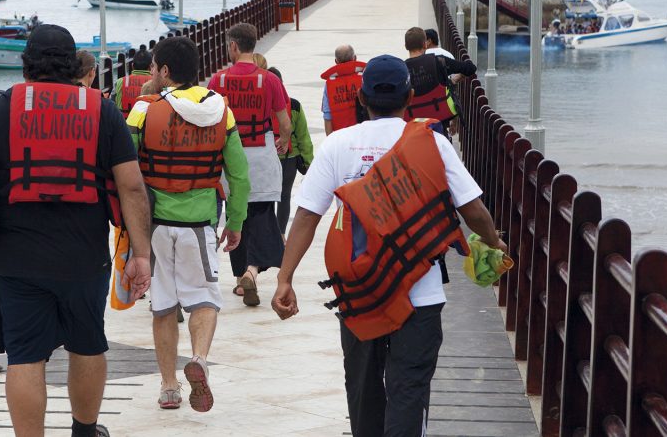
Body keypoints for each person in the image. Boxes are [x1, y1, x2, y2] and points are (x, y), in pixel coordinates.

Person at [271, 55, 507, 437]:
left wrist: (285, 278)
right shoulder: (432, 142)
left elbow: (306, 217)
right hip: (420, 293)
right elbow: (474, 211)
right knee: (408, 390)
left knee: (363, 389)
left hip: (359, 291)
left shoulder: (337, 144)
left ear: (362, 98)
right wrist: (495, 243)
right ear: (410, 97)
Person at [0, 24, 152, 437]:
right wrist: (141, 255)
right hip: (84, 257)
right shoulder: (101, 110)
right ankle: (84, 431)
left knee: (24, 356)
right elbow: (132, 186)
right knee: (88, 344)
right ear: (74, 65)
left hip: (15, 259)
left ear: (26, 64)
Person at [126, 36, 249, 413]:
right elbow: (240, 175)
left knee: (163, 305)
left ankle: (168, 386)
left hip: (155, 225)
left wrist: (124, 227)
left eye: (154, 67)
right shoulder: (220, 110)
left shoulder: (143, 110)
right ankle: (198, 358)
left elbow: (125, 172)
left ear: (164, 71)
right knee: (205, 299)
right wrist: (236, 221)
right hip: (200, 221)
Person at [208, 23, 291, 306]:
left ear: (233, 45)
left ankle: (240, 278)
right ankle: (252, 271)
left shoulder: (217, 80)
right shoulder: (269, 80)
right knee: (262, 216)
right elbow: (284, 123)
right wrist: (283, 141)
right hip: (261, 155)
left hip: (230, 157)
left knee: (236, 215)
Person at [403, 27, 476, 137]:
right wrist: (453, 80)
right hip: (438, 124)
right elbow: (470, 68)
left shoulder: (401, 69)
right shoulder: (439, 61)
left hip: (413, 126)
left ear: (406, 46)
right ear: (425, 44)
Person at [267, 67, 313, 238]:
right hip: (289, 159)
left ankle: (268, 235)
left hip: (266, 159)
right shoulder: (294, 105)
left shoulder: (262, 107)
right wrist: (308, 162)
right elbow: (303, 137)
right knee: (284, 196)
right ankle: (281, 234)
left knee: (267, 198)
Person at [321, 44, 367, 136]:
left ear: (336, 61)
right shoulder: (363, 78)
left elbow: (327, 115)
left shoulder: (330, 84)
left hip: (340, 137)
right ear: (355, 58)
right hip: (362, 135)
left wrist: (330, 140)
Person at [112, 46, 153, 117]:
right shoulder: (155, 82)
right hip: (147, 121)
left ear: (132, 66)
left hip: (124, 122)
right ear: (150, 67)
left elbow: (112, 103)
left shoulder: (120, 82)